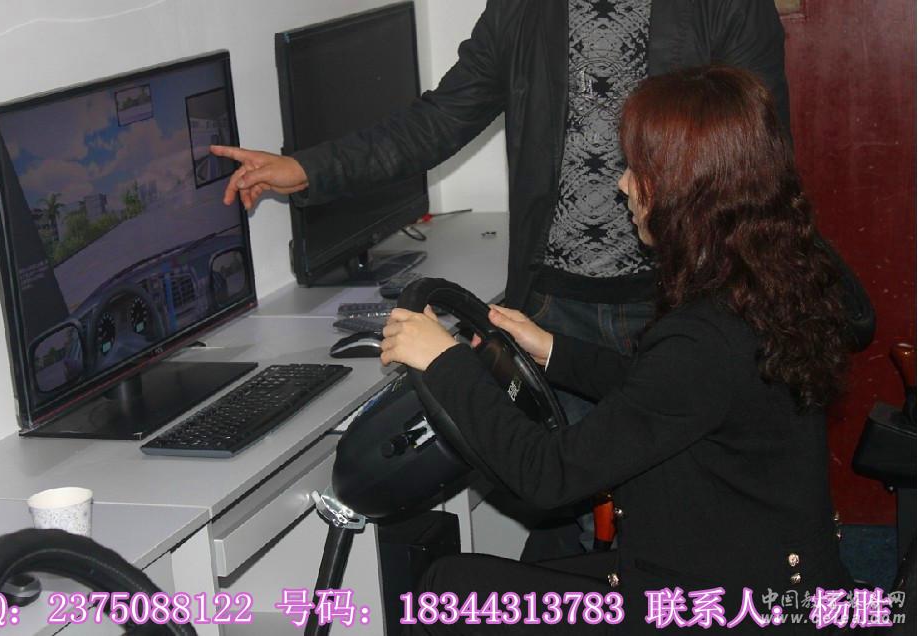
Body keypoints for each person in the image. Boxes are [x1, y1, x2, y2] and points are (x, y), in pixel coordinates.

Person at [213, 1, 803, 557]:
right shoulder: (524, 9)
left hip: (676, 300)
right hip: (554, 303)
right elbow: (442, 117)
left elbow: (752, 153)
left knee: (672, 508)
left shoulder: (725, 6)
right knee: (573, 505)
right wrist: (309, 169)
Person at [378, 66, 855, 634]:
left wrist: (444, 361)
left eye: (639, 170)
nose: (624, 185)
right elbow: (668, 396)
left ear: (687, 189)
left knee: (448, 591)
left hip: (724, 606)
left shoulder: (704, 335)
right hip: (766, 579)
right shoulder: (769, 278)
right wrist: (551, 350)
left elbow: (546, 475)